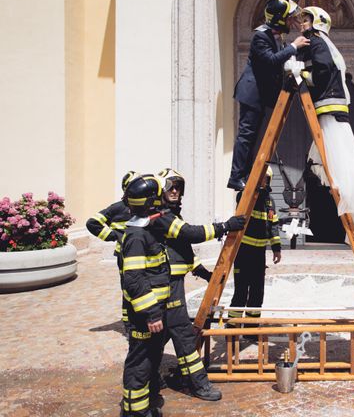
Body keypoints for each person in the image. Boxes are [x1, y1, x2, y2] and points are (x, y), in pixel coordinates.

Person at [299, 6, 354, 284]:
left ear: (316, 23)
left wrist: (303, 76)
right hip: (335, 107)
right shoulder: (328, 44)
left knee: (336, 168)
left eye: (304, 19)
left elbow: (322, 70)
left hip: (326, 107)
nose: (300, 24)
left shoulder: (316, 42)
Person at [152, 168, 244, 401]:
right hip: (167, 284)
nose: (175, 191)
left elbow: (182, 248)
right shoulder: (161, 217)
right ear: (161, 189)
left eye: (178, 187)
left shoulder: (170, 215)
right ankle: (198, 384)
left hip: (171, 283)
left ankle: (151, 378)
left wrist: (203, 272)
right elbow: (189, 234)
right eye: (171, 186)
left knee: (159, 337)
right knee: (182, 334)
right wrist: (225, 227)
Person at [228, 0, 310, 191]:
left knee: (254, 137)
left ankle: (247, 174)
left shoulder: (275, 36)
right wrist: (293, 47)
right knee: (246, 135)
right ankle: (235, 176)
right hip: (251, 94)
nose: (292, 21)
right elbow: (271, 60)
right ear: (279, 19)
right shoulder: (260, 36)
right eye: (289, 18)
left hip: (261, 96)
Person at [119, 174, 171, 416]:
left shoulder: (146, 230)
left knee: (151, 358)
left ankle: (147, 404)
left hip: (154, 311)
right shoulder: (137, 237)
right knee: (140, 362)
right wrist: (151, 314)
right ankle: (135, 411)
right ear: (151, 203)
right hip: (145, 315)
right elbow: (134, 279)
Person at [228, 166, 281, 334]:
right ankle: (232, 327)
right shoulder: (245, 195)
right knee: (241, 291)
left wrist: (276, 249)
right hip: (243, 252)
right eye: (260, 177)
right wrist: (252, 189)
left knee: (257, 292)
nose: (262, 180)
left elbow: (273, 225)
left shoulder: (270, 201)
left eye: (266, 178)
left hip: (259, 254)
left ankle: (251, 329)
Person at [86, 170, 138, 328]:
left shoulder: (145, 207)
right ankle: (128, 322)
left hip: (142, 254)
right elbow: (92, 222)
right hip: (124, 255)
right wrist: (113, 235)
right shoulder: (117, 208)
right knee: (128, 287)